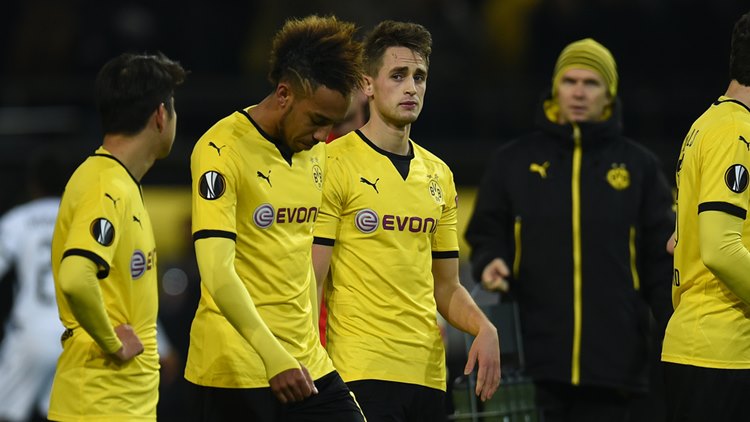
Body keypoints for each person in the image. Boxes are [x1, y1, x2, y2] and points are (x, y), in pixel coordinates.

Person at [465, 38, 674, 422]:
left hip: (615, 365)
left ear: (609, 94)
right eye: (569, 81)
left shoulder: (640, 168)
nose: (578, 92)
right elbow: (485, 231)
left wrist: (674, 332)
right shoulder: (513, 161)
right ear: (555, 88)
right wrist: (490, 260)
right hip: (533, 361)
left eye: (591, 83)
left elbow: (662, 263)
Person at [311, 20, 501, 422]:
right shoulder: (331, 163)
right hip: (358, 373)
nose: (411, 88)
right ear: (367, 85)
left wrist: (484, 327)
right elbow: (313, 280)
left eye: (419, 76)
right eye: (397, 75)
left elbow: (446, 286)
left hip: (428, 376)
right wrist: (311, 365)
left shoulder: (439, 174)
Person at [184, 14, 366, 421]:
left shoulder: (314, 152)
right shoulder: (220, 149)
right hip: (234, 370)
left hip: (307, 364)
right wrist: (273, 356)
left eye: (331, 125)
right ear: (284, 94)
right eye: (317, 121)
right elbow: (216, 271)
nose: (322, 136)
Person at [48, 51, 187, 421]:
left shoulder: (118, 182)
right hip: (99, 403)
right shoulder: (105, 186)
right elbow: (75, 276)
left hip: (117, 403)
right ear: (161, 115)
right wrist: (112, 342)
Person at [661, 10, 750, 422]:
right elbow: (720, 248)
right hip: (721, 352)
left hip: (709, 350)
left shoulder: (711, 123)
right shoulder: (735, 132)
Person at [0, 147, 65, 422]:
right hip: (73, 335)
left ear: (33, 184)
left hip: (29, 334)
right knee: (61, 414)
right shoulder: (80, 218)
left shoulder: (18, 219)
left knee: (6, 413)